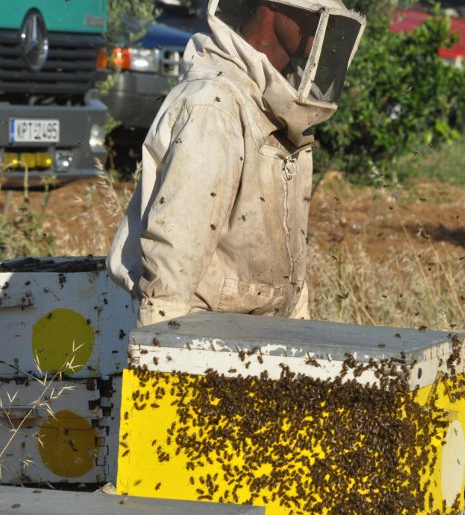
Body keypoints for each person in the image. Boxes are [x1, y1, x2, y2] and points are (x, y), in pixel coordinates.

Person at [106, 0, 365, 326]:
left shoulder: (278, 104)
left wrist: (298, 325)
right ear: (272, 6)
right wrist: (159, 355)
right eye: (316, 8)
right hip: (202, 338)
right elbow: (173, 264)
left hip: (257, 339)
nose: (323, 24)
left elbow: (283, 251)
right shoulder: (214, 104)